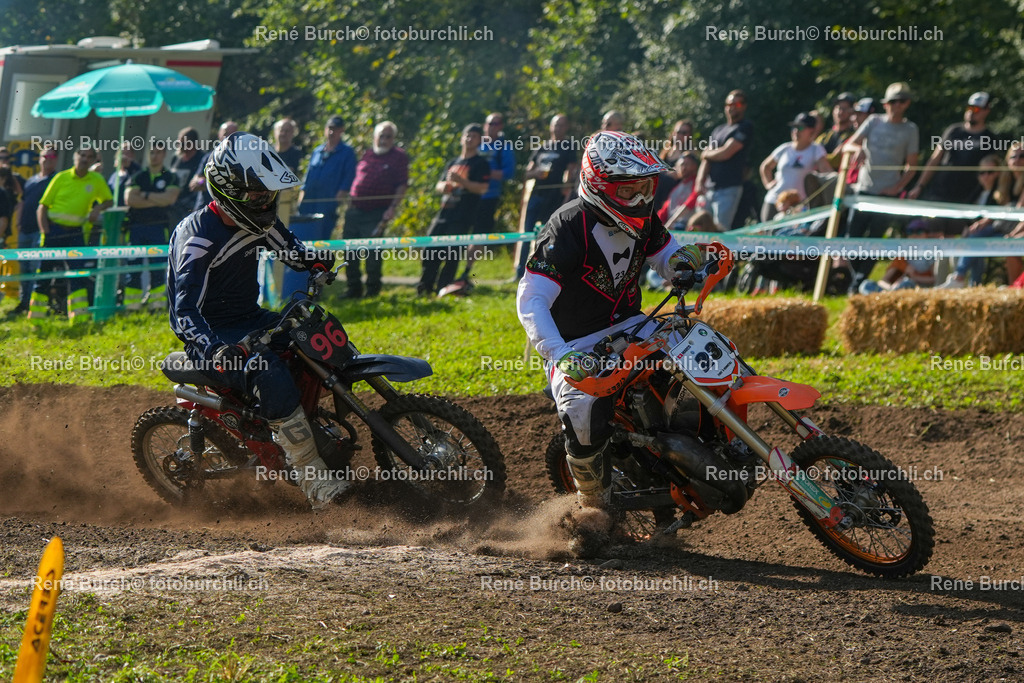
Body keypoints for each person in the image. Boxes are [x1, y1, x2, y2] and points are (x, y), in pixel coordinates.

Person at [516, 131, 702, 508]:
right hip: (578, 346)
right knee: (581, 412)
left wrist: (683, 263)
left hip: (635, 325)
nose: (641, 199)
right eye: (629, 191)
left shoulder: (645, 218)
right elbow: (531, 298)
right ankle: (592, 506)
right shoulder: (567, 227)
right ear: (599, 185)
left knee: (698, 348)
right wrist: (558, 353)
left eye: (647, 188)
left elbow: (667, 254)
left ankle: (708, 444)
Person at [166, 131, 346, 510]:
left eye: (267, 194)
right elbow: (183, 313)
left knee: (313, 330)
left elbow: (291, 248)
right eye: (256, 195)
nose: (264, 201)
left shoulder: (258, 220)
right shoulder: (199, 237)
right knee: (267, 370)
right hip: (212, 336)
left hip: (250, 317)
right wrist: (214, 348)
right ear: (227, 190)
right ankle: (312, 475)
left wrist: (315, 262)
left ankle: (314, 423)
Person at [844, 82, 920, 280]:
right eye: (893, 101)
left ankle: (859, 281)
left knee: (875, 241)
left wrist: (897, 187)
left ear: (907, 104)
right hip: (863, 190)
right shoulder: (873, 121)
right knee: (852, 238)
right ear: (886, 104)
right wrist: (858, 149)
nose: (897, 105)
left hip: (887, 195)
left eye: (902, 101)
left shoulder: (910, 129)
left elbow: (912, 165)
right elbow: (848, 145)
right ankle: (855, 278)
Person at [35, 146, 113, 317]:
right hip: (54, 230)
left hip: (76, 234)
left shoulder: (96, 179)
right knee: (44, 275)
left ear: (93, 160)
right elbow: (42, 207)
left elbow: (109, 200)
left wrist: (97, 208)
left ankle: (78, 317)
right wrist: (45, 232)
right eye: (82, 155)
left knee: (78, 276)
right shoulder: (61, 178)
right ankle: (36, 318)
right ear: (75, 157)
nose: (84, 159)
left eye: (89, 156)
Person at [908, 92, 999, 235]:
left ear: (986, 110)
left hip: (966, 199)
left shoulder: (989, 138)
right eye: (969, 107)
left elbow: (991, 171)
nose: (971, 112)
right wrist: (919, 185)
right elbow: (935, 159)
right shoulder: (953, 130)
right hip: (939, 194)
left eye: (976, 109)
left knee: (954, 239)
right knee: (932, 233)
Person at [418, 124, 490, 296]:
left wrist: (462, 181)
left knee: (451, 254)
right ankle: (424, 288)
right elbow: (439, 184)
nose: (469, 139)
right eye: (467, 135)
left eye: (473, 136)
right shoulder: (453, 162)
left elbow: (482, 188)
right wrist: (443, 186)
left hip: (463, 215)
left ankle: (444, 289)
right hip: (443, 213)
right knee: (429, 250)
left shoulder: (481, 163)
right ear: (461, 138)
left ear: (479, 140)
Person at [343, 120, 409, 298]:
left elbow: (402, 185)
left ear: (393, 139)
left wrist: (393, 208)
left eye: (388, 137)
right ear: (375, 137)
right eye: (381, 136)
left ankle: (372, 289)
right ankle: (353, 288)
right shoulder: (367, 154)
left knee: (372, 253)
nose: (384, 140)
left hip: (377, 212)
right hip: (355, 210)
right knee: (349, 251)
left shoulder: (399, 157)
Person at [938, 151, 1020, 288]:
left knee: (976, 238)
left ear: (998, 172)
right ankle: (971, 284)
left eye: (990, 172)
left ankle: (962, 278)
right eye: (982, 172)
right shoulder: (977, 192)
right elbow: (966, 216)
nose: (986, 176)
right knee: (971, 240)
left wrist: (983, 223)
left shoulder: (1003, 190)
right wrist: (968, 228)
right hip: (990, 232)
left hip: (1004, 231)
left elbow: (1007, 212)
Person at [514, 114, 579, 279]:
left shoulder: (569, 147)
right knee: (526, 234)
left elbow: (571, 173)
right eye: (556, 125)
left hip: (555, 197)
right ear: (551, 127)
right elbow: (527, 172)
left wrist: (566, 194)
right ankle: (520, 270)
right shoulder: (541, 147)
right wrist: (536, 173)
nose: (558, 128)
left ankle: (542, 270)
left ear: (566, 128)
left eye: (561, 125)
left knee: (548, 235)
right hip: (536, 195)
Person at [122, 141, 180, 310]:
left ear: (164, 155)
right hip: (136, 228)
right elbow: (130, 200)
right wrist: (157, 199)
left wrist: (145, 195)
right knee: (133, 268)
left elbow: (170, 199)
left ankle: (156, 306)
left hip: (158, 228)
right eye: (151, 152)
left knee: (157, 268)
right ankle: (131, 307)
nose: (154, 156)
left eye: (158, 153)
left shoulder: (170, 176)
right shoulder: (138, 176)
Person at [460, 112, 516, 285]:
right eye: (489, 123)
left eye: (496, 123)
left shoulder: (504, 147)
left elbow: (509, 173)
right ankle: (449, 271)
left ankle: (466, 272)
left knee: (478, 236)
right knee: (460, 232)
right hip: (467, 196)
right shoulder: (476, 142)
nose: (492, 126)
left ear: (501, 126)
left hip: (489, 197)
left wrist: (484, 172)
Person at [696, 89, 754, 230]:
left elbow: (726, 153)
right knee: (700, 228)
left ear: (744, 106)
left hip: (729, 188)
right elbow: (706, 160)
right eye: (729, 104)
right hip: (709, 189)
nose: (732, 107)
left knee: (720, 230)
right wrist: (699, 182)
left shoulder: (745, 127)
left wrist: (706, 153)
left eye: (737, 104)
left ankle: (717, 254)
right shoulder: (718, 130)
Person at [759, 112, 832, 222]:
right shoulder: (784, 148)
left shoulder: (816, 149)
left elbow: (826, 171)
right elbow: (765, 167)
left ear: (811, 131)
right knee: (766, 235)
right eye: (794, 127)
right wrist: (768, 184)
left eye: (801, 127)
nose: (796, 131)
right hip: (775, 200)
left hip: (799, 204)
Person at [11, 146, 58, 317]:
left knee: (34, 269)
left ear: (56, 159)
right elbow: (23, 202)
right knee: (24, 269)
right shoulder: (31, 180)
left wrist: (44, 229)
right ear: (39, 158)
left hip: (41, 232)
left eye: (51, 156)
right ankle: (24, 303)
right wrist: (18, 223)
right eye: (44, 155)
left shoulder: (56, 179)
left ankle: (33, 304)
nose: (47, 159)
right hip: (25, 230)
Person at [298, 115, 357, 241]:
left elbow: (348, 178)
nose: (331, 132)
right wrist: (301, 198)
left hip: (327, 204)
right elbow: (307, 177)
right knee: (303, 239)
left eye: (335, 129)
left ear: (341, 130)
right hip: (308, 203)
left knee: (321, 241)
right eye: (329, 128)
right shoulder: (317, 151)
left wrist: (336, 201)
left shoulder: (347, 152)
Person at [190, 121, 239, 211]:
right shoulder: (209, 157)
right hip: (204, 210)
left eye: (233, 134)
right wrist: (202, 182)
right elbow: (194, 183)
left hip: (228, 213)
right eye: (226, 133)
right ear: (219, 134)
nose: (228, 137)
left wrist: (207, 182)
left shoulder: (241, 160)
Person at [272, 118, 303, 228]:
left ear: (293, 133)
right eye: (281, 130)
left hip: (286, 203)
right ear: (275, 132)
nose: (283, 133)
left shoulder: (297, 154)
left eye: (287, 130)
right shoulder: (267, 152)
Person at [169, 127, 202, 226]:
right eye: (179, 142)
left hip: (191, 205)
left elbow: (203, 181)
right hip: (175, 204)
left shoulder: (201, 158)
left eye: (183, 143)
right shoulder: (176, 158)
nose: (179, 145)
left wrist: (199, 182)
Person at [657, 152, 699, 229]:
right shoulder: (675, 188)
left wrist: (671, 222)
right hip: (672, 225)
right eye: (681, 165)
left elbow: (691, 201)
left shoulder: (697, 184)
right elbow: (665, 210)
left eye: (687, 164)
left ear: (694, 166)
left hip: (686, 225)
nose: (683, 168)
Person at [817, 92, 858, 169]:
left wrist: (820, 159)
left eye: (845, 109)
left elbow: (836, 159)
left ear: (852, 112)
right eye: (838, 108)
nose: (840, 112)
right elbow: (811, 155)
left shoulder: (854, 136)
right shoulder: (825, 136)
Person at [107, 143, 140, 207]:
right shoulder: (114, 176)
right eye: (122, 153)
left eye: (127, 153)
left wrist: (129, 166)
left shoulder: (136, 172)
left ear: (132, 155)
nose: (124, 156)